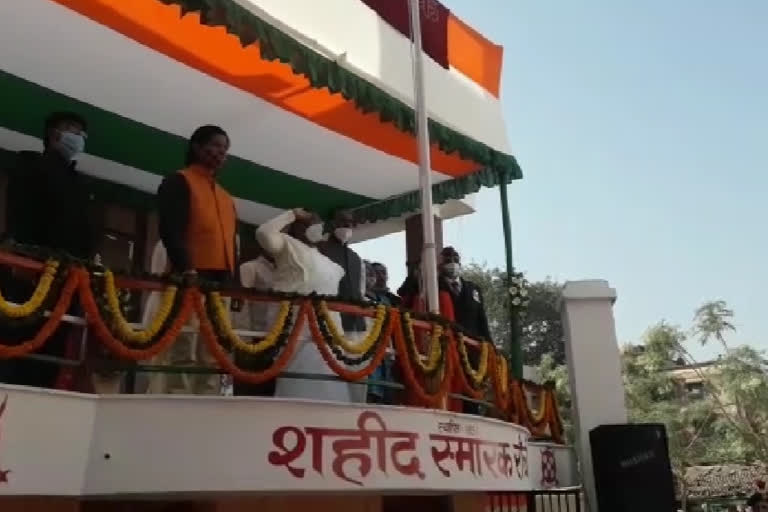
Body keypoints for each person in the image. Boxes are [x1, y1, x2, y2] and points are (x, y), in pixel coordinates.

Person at [0, 111, 94, 388]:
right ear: (54, 134)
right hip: (30, 274)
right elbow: (20, 218)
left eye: (81, 133)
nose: (78, 138)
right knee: (20, 344)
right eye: (72, 131)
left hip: (67, 280)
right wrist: (24, 260)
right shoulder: (30, 167)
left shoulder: (79, 181)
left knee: (54, 345)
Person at [151, 125, 238, 395]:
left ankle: (207, 403)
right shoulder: (179, 181)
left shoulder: (226, 197)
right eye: (214, 146)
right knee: (183, 348)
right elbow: (170, 230)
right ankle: (177, 404)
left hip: (218, 285)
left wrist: (233, 285)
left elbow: (231, 245)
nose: (220, 153)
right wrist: (187, 269)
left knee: (213, 350)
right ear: (197, 147)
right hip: (188, 278)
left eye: (225, 149)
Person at [256, 208, 349, 402]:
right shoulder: (287, 245)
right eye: (309, 222)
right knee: (297, 387)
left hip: (330, 334)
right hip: (297, 332)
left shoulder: (330, 263)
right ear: (296, 228)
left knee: (332, 388)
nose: (315, 224)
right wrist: (292, 214)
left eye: (317, 222)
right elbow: (264, 233)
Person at [317, 209, 367, 402]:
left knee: (357, 373)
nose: (346, 227)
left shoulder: (357, 258)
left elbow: (361, 292)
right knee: (330, 373)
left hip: (356, 325)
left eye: (350, 224)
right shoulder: (320, 249)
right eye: (342, 222)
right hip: (329, 323)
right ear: (332, 225)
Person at [438, 246, 492, 414]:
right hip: (448, 348)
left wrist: (490, 348)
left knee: (472, 395)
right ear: (440, 264)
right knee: (452, 392)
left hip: (472, 351)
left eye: (455, 258)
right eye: (447, 259)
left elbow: (482, 321)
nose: (452, 263)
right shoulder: (433, 285)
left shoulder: (473, 289)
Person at [231, 239, 278, 397]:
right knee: (248, 390)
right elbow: (240, 307)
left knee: (269, 391)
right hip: (253, 339)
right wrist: (245, 340)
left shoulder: (284, 272)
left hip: (276, 340)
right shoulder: (250, 268)